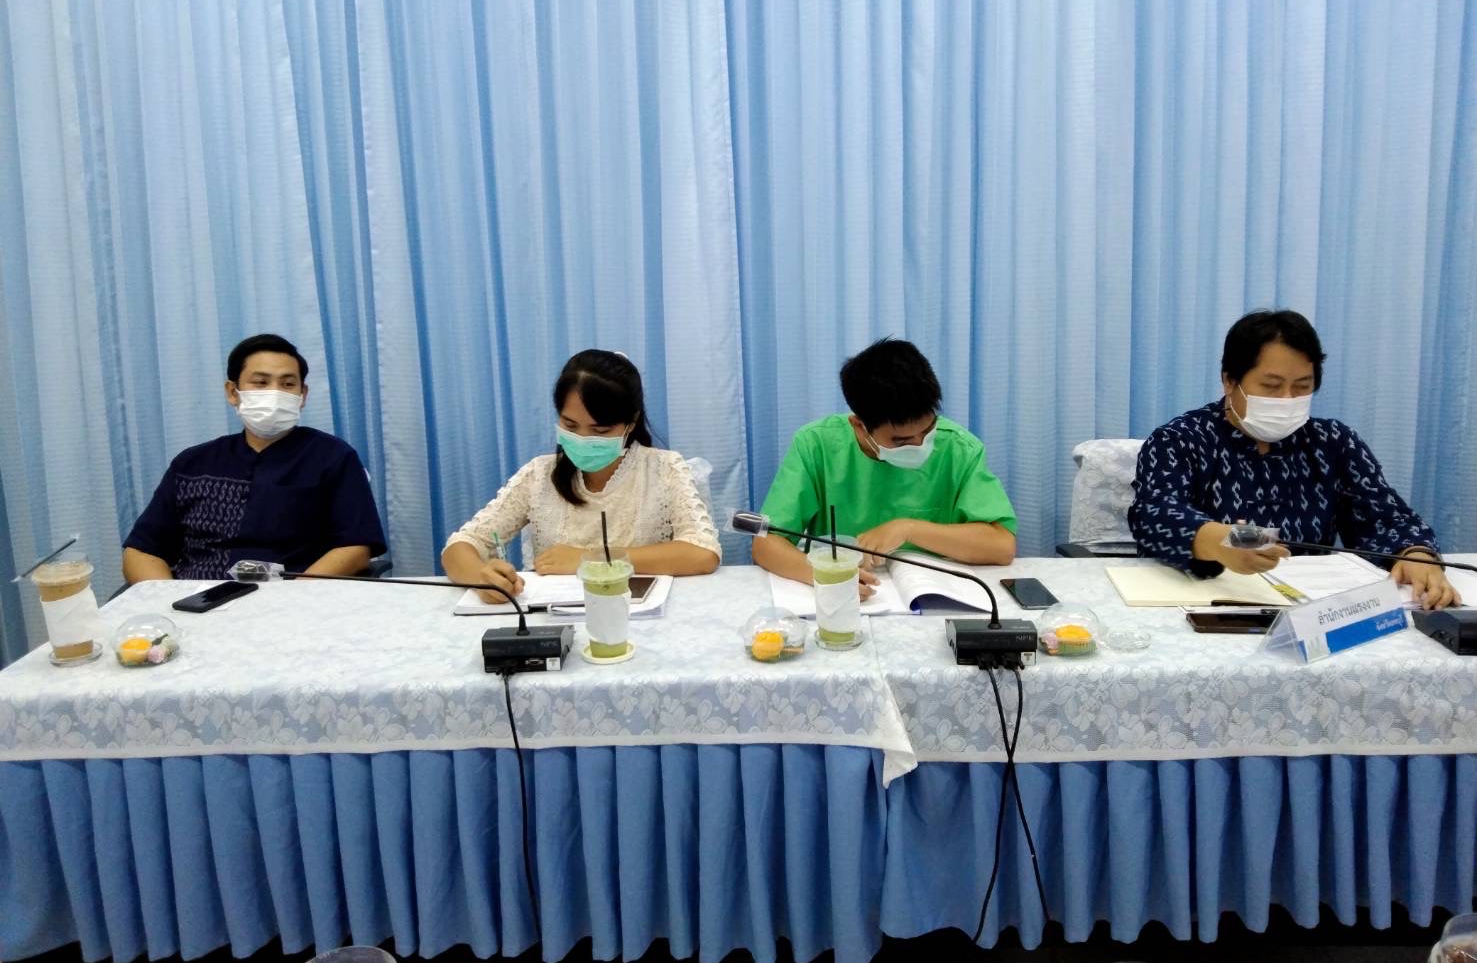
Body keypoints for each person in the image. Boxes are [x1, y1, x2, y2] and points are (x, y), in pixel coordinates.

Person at [1128, 309, 1459, 609]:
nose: (1287, 399)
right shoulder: (1181, 439)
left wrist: (1415, 554)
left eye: (1302, 386)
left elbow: (1387, 517)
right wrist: (1216, 541)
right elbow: (1153, 514)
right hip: (1207, 603)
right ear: (1230, 381)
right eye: (1271, 386)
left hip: (1315, 610)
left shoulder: (1333, 442)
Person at [442, 349, 721, 603]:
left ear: (631, 422)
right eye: (570, 425)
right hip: (553, 620)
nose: (583, 439)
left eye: (600, 431)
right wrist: (482, 579)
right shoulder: (538, 475)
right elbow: (461, 545)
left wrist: (592, 559)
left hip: (638, 616)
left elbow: (703, 553)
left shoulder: (664, 469)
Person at [752, 338, 1016, 598]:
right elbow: (765, 543)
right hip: (845, 596)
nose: (919, 445)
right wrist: (824, 576)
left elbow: (1002, 546)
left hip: (935, 597)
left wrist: (909, 529)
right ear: (859, 426)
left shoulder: (959, 449)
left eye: (928, 431)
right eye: (901, 441)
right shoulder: (816, 445)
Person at [123, 334, 386, 582]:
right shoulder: (192, 464)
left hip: (293, 596)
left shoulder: (333, 458)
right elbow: (141, 551)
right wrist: (168, 600)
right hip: (197, 599)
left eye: (288, 384)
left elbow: (355, 547)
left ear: (302, 395)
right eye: (260, 383)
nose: (275, 393)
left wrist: (298, 594)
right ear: (232, 392)